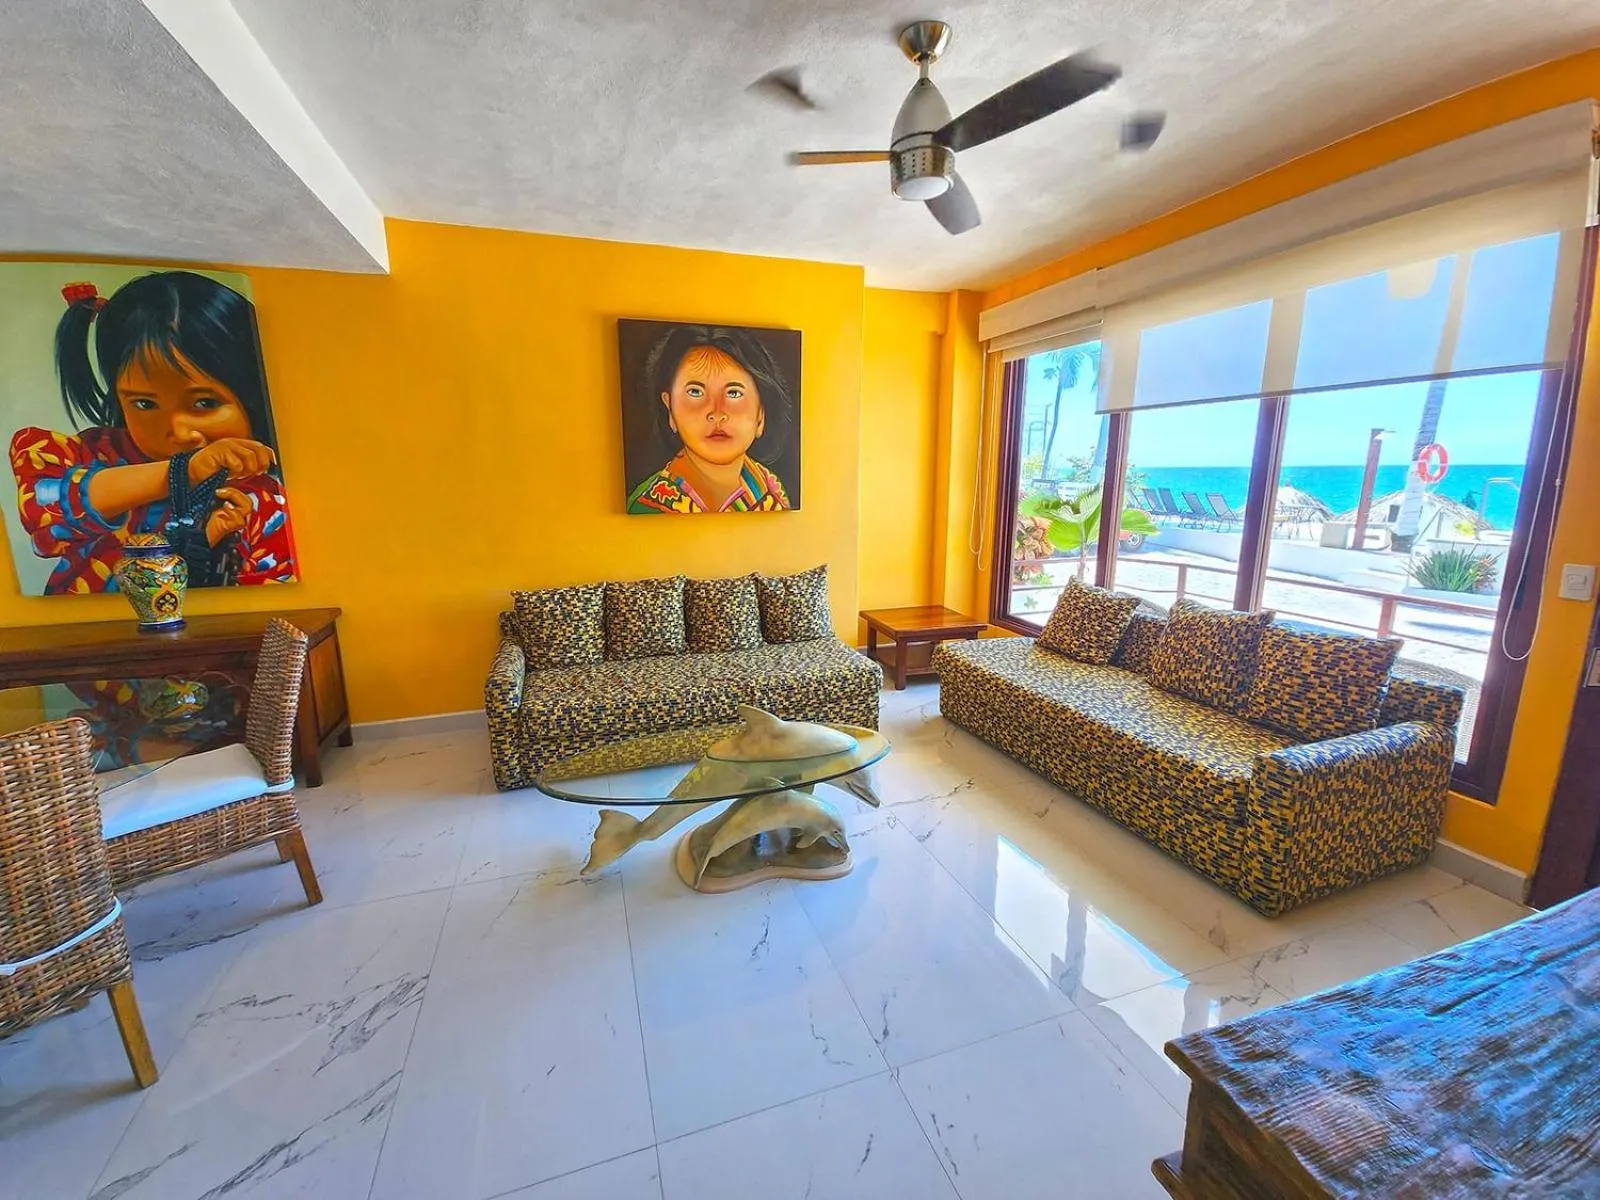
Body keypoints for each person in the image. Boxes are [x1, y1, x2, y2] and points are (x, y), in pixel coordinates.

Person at [9, 271, 297, 592]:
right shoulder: (95, 455)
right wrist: (183, 471)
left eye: (204, 402)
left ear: (252, 397)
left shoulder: (265, 502)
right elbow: (44, 505)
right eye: (145, 404)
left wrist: (211, 536)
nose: (179, 432)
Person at [627, 324, 794, 513]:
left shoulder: (771, 492)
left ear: (761, 412)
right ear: (669, 407)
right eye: (695, 392)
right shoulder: (648, 506)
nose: (717, 413)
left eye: (733, 393)